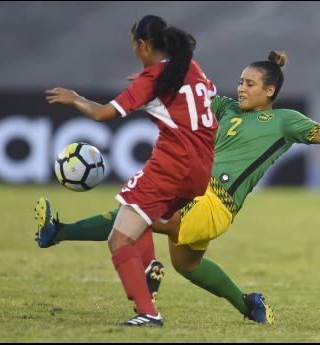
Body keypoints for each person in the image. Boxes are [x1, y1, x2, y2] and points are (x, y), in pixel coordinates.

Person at [36, 50, 320, 326]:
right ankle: (249, 305)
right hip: (194, 187)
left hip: (219, 202)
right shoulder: (225, 108)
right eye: (241, 82)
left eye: (250, 83)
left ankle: (61, 233)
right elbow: (189, 94)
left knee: (139, 214)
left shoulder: (286, 121)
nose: (241, 88)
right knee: (187, 265)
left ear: (269, 91)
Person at [42, 15, 218, 327]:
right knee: (138, 213)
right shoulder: (189, 67)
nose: (134, 52)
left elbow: (100, 114)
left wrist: (75, 98)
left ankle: (148, 312)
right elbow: (202, 95)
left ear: (143, 45)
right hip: (200, 172)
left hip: (171, 168)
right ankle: (149, 267)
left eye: (134, 46)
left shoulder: (151, 82)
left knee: (119, 239)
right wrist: (151, 80)